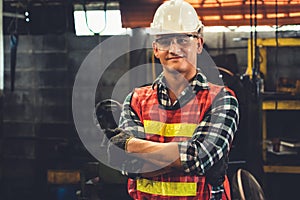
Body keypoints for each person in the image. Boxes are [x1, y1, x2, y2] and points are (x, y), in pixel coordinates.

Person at [106, 0, 239, 199]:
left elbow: (198, 159)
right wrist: (186, 160)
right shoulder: (136, 101)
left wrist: (131, 145)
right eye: (165, 41)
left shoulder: (221, 100)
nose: (174, 48)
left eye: (183, 39)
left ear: (199, 44)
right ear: (156, 48)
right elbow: (127, 165)